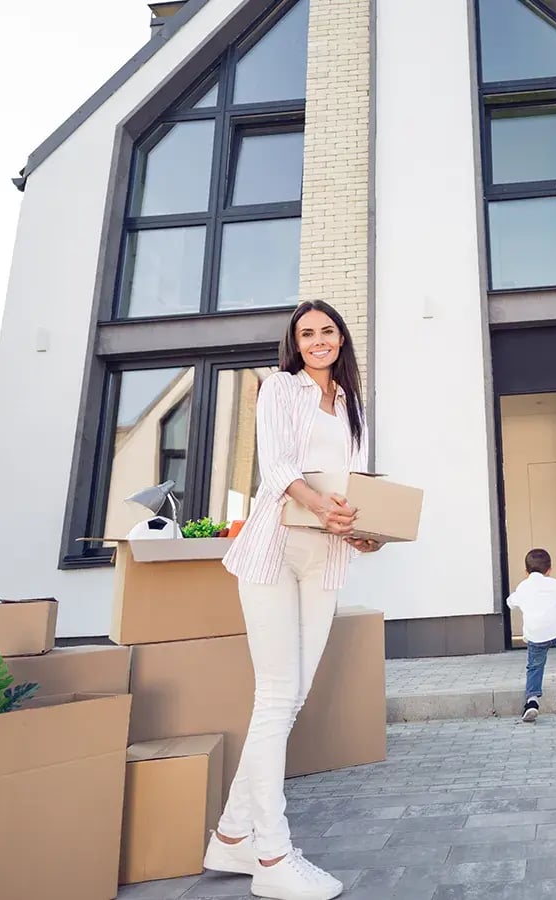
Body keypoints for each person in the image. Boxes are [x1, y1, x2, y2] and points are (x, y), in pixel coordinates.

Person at [203, 300, 382, 900]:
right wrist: (319, 503)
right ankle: (272, 855)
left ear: (341, 339)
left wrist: (366, 528)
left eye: (326, 331)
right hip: (275, 544)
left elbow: (355, 485)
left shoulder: (354, 405)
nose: (317, 341)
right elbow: (277, 465)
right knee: (277, 694)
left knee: (293, 695)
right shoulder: (280, 388)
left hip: (327, 554)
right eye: (306, 334)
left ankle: (230, 838)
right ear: (295, 344)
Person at [506, 548, 556, 723]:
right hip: (555, 630)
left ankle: (532, 701)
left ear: (526, 572)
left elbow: (512, 601)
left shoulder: (523, 587)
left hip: (536, 636)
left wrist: (510, 601)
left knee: (535, 667)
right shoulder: (553, 583)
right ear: (549, 570)